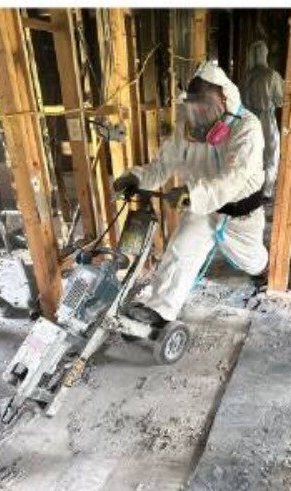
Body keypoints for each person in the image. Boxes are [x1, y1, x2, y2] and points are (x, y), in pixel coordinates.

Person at [114, 61, 268, 326]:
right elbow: (163, 165)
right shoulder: (188, 127)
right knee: (179, 250)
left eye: (207, 107)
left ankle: (263, 270)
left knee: (252, 260)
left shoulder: (247, 127)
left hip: (240, 214)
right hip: (202, 207)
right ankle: (159, 312)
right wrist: (137, 177)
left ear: (224, 100)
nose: (201, 115)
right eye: (196, 108)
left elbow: (233, 178)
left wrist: (191, 192)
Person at [239, 40, 284, 199]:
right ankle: (266, 191)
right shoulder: (272, 75)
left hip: (248, 120)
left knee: (252, 153)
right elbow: (280, 101)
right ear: (265, 54)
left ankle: (251, 190)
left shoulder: (246, 77)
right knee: (270, 154)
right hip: (266, 120)